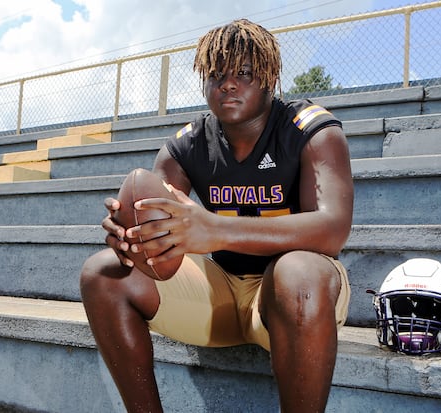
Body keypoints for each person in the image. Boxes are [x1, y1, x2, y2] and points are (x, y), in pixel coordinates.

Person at [80, 18, 354, 413]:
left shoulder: (309, 129)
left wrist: (217, 230)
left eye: (244, 72)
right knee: (102, 273)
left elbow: (332, 230)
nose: (228, 83)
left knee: (298, 272)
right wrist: (130, 238)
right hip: (221, 297)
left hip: (292, 302)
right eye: (216, 74)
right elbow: (156, 227)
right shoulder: (187, 143)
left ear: (270, 78)